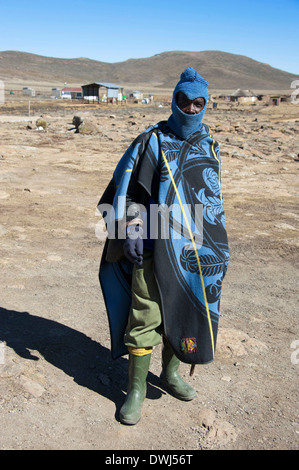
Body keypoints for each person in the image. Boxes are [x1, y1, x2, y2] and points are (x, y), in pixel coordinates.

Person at [98, 67, 229, 425]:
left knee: (181, 313)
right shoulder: (152, 140)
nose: (189, 108)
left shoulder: (209, 144)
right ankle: (136, 390)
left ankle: (170, 375)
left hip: (192, 250)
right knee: (145, 316)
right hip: (153, 246)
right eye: (183, 101)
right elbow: (131, 189)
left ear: (206, 105)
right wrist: (132, 229)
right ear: (173, 99)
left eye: (197, 103)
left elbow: (209, 198)